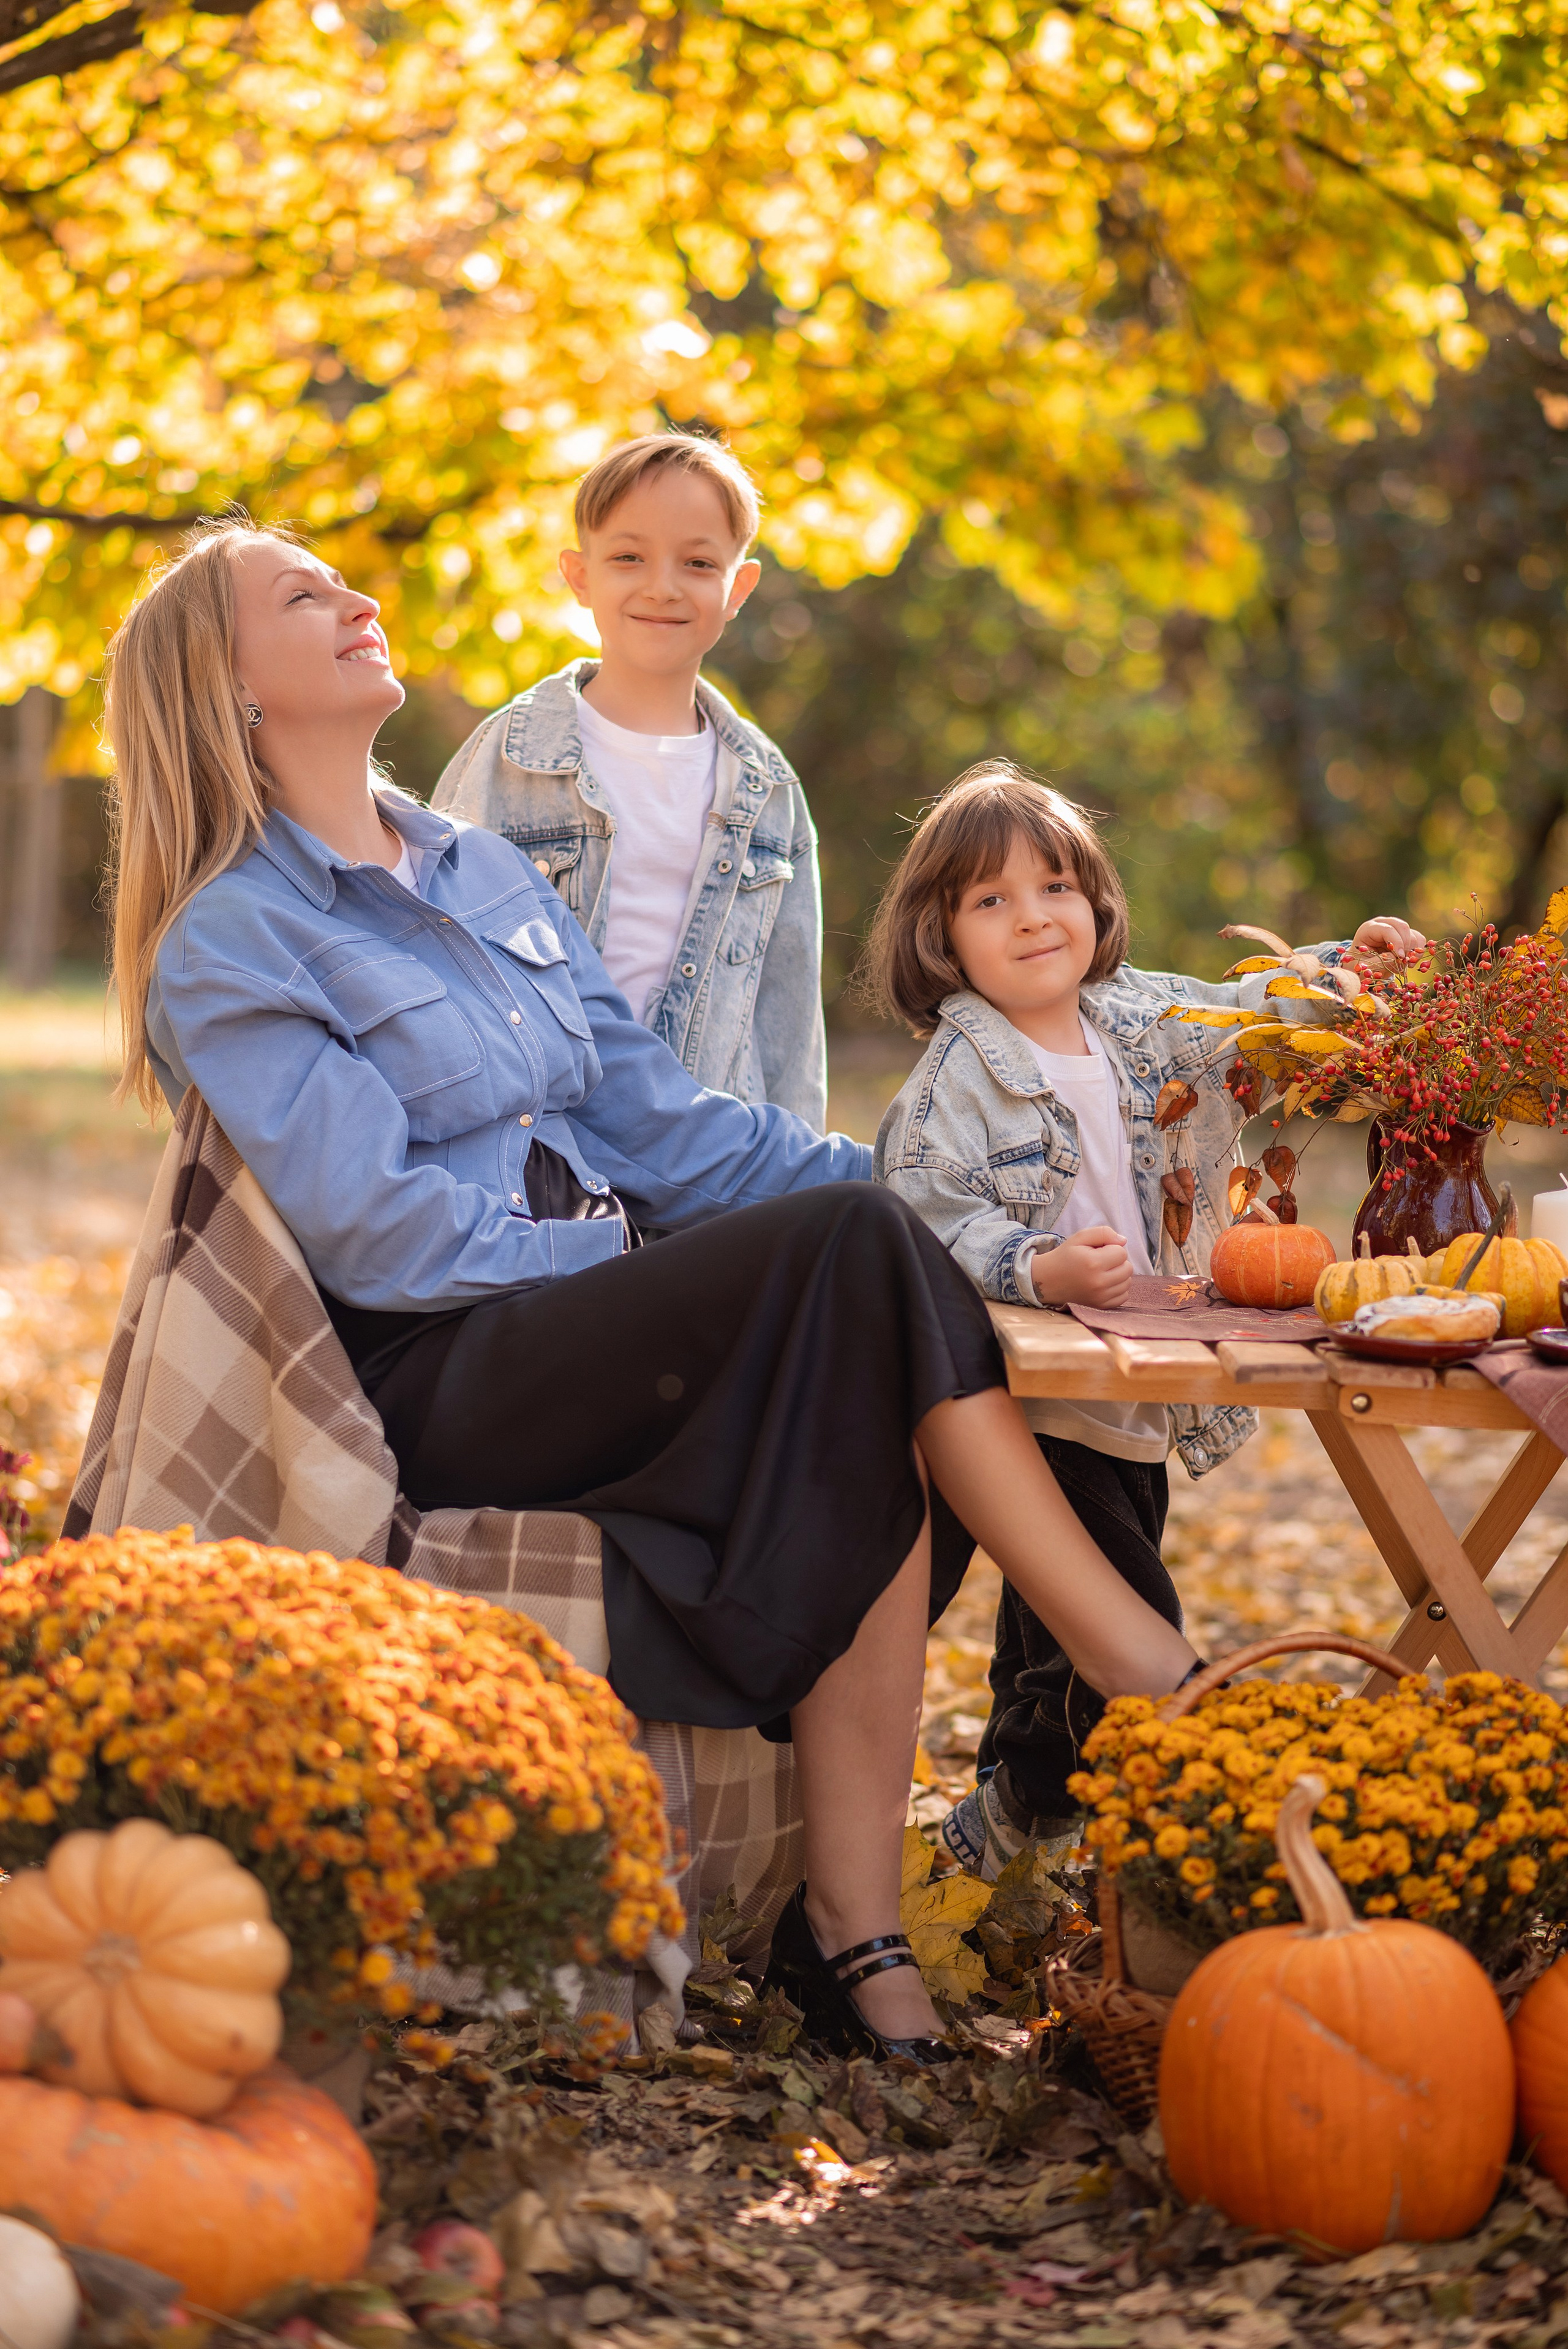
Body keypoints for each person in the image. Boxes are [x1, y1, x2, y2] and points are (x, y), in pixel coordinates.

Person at [105, 521, 1200, 2065]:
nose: (358, 597)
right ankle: (1138, 1668)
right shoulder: (234, 935)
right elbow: (380, 1238)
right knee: (848, 1257)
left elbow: (656, 1119)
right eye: (302, 597)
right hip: (447, 1366)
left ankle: (863, 1948)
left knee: (856, 1259)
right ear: (226, 685)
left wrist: (900, 1187)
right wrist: (623, 1256)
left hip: (593, 1334)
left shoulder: (478, 869)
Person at [867, 763, 1425, 1881]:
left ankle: (999, 1855)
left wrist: (1343, 973)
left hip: (1136, 1387)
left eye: (1057, 887)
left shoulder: (1134, 1023)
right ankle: (1029, 1812)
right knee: (1118, 1622)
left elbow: (1244, 1017)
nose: (1034, 916)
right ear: (940, 936)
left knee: (1045, 1638)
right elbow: (922, 1213)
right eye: (991, 900)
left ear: (1096, 904)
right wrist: (1040, 1264)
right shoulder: (948, 1088)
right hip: (1033, 1393)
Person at [432, 433, 829, 1128]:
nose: (662, 586)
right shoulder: (504, 757)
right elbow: (438, 960)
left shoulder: (769, 792)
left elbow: (788, 1025)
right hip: (546, 1151)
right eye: (628, 557)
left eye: (698, 562)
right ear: (579, 575)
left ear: (738, 587)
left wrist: (799, 1181)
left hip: (711, 1158)